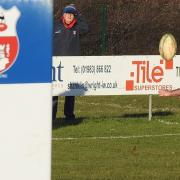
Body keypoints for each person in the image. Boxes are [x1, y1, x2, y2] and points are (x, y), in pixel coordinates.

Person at [53, 4, 89, 122]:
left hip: (71, 65)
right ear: (63, 15)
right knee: (54, 91)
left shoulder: (77, 28)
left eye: (72, 15)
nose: (69, 16)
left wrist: (79, 15)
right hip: (56, 65)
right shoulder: (55, 26)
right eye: (67, 14)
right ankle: (51, 117)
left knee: (70, 91)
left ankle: (69, 116)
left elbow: (86, 29)